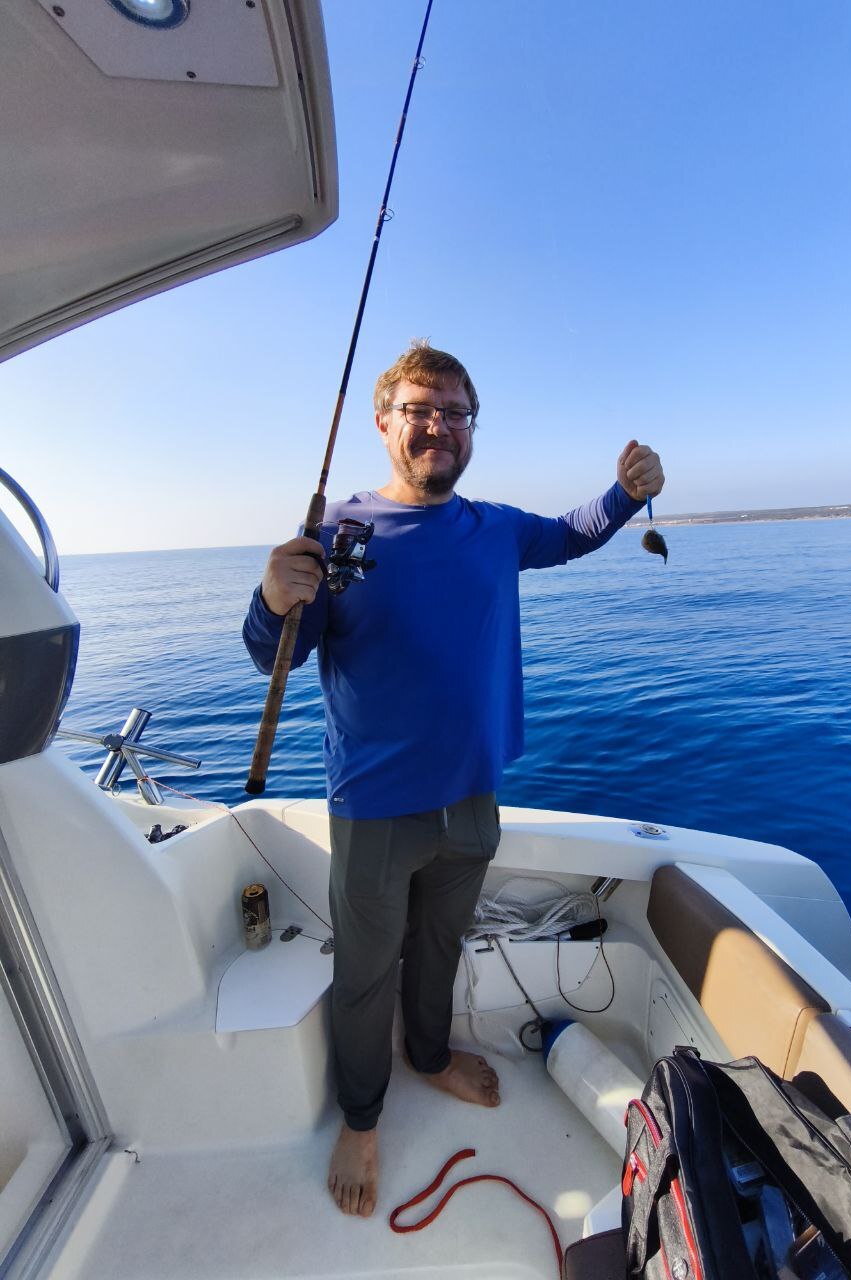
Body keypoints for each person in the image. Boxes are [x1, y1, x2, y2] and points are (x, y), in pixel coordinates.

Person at [242, 341, 664, 1219]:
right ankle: (362, 1117)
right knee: (366, 972)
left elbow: (573, 533)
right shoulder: (340, 532)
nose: (439, 426)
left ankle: (428, 1056)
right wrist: (271, 598)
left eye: (456, 412)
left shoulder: (496, 528)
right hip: (373, 807)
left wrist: (627, 493)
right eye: (420, 410)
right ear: (384, 421)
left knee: (439, 946)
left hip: (473, 796)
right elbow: (274, 653)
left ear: (473, 427)